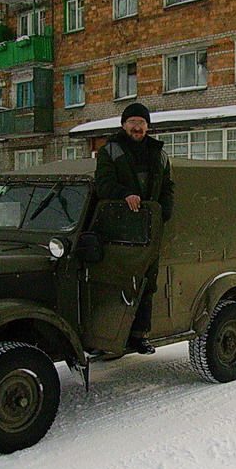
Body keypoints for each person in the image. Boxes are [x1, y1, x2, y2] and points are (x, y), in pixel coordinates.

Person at [94, 102, 174, 354]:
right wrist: (124, 194)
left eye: (141, 123)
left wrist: (164, 212)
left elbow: (168, 186)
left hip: (149, 228)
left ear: (148, 127)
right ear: (123, 125)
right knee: (119, 281)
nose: (137, 127)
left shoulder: (159, 153)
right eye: (132, 122)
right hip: (118, 229)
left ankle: (139, 335)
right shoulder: (110, 150)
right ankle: (108, 336)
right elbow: (103, 185)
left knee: (147, 281)